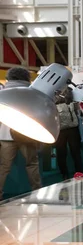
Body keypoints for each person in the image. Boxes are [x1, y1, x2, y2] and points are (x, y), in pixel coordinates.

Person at [0, 67, 41, 200]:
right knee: (32, 164)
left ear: (9, 78)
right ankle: (37, 192)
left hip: (5, 135)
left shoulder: (3, 92)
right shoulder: (32, 93)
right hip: (27, 135)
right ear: (26, 78)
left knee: (4, 167)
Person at [55, 89, 83, 180]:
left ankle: (64, 174)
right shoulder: (72, 99)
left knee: (61, 153)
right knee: (76, 152)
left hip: (60, 130)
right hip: (73, 129)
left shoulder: (54, 100)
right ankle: (79, 172)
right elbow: (79, 114)